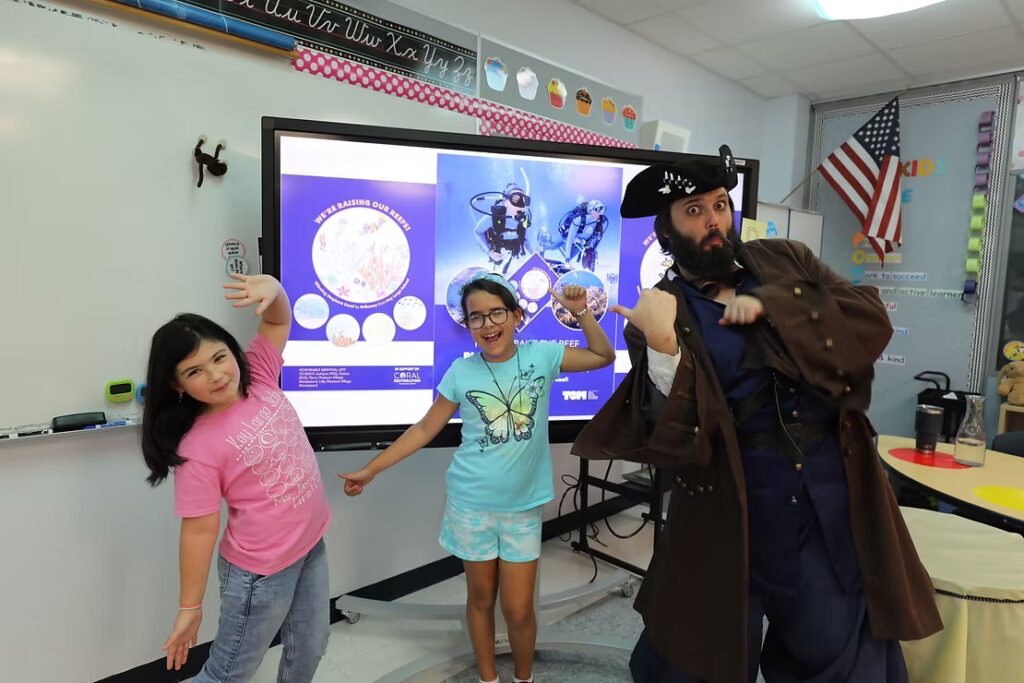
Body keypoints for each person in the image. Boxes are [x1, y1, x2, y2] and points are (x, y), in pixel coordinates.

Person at [572, 146, 942, 683]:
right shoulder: (655, 313)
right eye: (694, 210)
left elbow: (868, 320)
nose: (714, 221)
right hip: (729, 502)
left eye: (720, 205)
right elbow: (670, 439)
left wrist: (781, 304)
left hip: (826, 497)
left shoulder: (786, 260)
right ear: (667, 232)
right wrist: (661, 343)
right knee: (708, 647)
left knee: (834, 644)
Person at [340, 272, 615, 683]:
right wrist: (372, 469)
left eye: (496, 313)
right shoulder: (461, 372)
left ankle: (524, 678)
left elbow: (602, 356)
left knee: (520, 609)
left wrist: (583, 314)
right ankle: (488, 679)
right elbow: (423, 429)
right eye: (476, 318)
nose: (488, 325)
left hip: (522, 509)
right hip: (470, 508)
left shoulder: (543, 355)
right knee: (481, 599)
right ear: (467, 326)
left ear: (516, 316)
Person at [141, 273, 332, 682]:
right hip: (259, 574)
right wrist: (189, 608)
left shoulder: (259, 376)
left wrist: (276, 291)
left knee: (309, 651)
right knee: (227, 675)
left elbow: (278, 322)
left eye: (218, 357)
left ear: (232, 349)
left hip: (310, 546)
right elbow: (198, 529)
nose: (215, 375)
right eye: (194, 372)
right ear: (176, 385)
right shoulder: (197, 447)